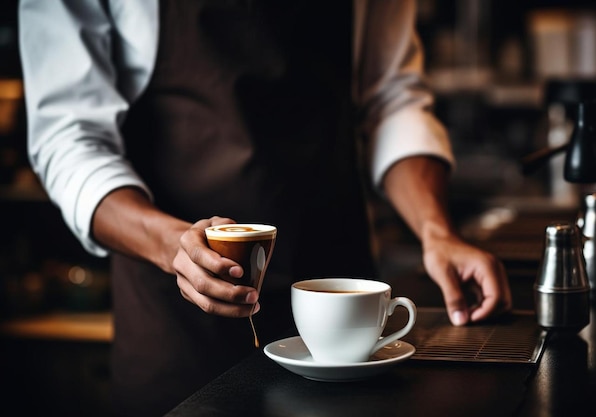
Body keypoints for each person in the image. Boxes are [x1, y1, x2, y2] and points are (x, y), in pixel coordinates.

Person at [19, 0, 512, 415]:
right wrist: (175, 244)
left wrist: (436, 230)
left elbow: (391, 98)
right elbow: (69, 134)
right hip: (179, 318)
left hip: (340, 289)